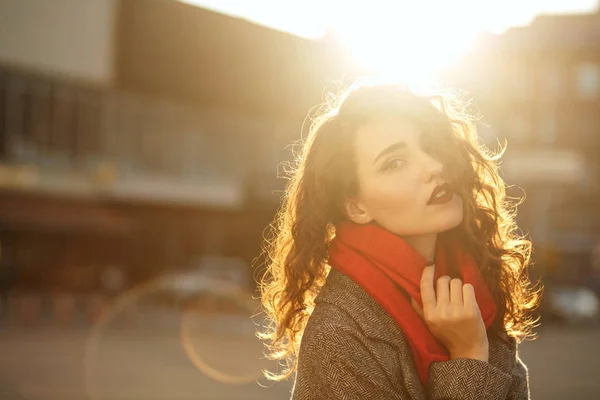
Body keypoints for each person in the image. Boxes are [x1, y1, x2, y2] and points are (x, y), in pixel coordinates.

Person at [258, 83, 541, 399]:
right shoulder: (339, 336)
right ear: (356, 206)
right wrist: (469, 352)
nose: (434, 167)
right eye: (394, 163)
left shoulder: (473, 285)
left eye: (430, 147)